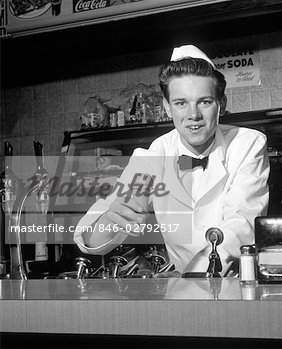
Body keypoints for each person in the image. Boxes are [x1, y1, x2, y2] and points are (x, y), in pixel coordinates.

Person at [74, 45, 270, 275]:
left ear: (221, 105)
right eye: (181, 103)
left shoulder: (247, 144)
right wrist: (111, 218)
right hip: (183, 296)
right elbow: (90, 239)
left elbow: (241, 227)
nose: (193, 114)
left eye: (204, 102)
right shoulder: (154, 156)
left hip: (238, 286)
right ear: (167, 107)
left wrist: (190, 278)